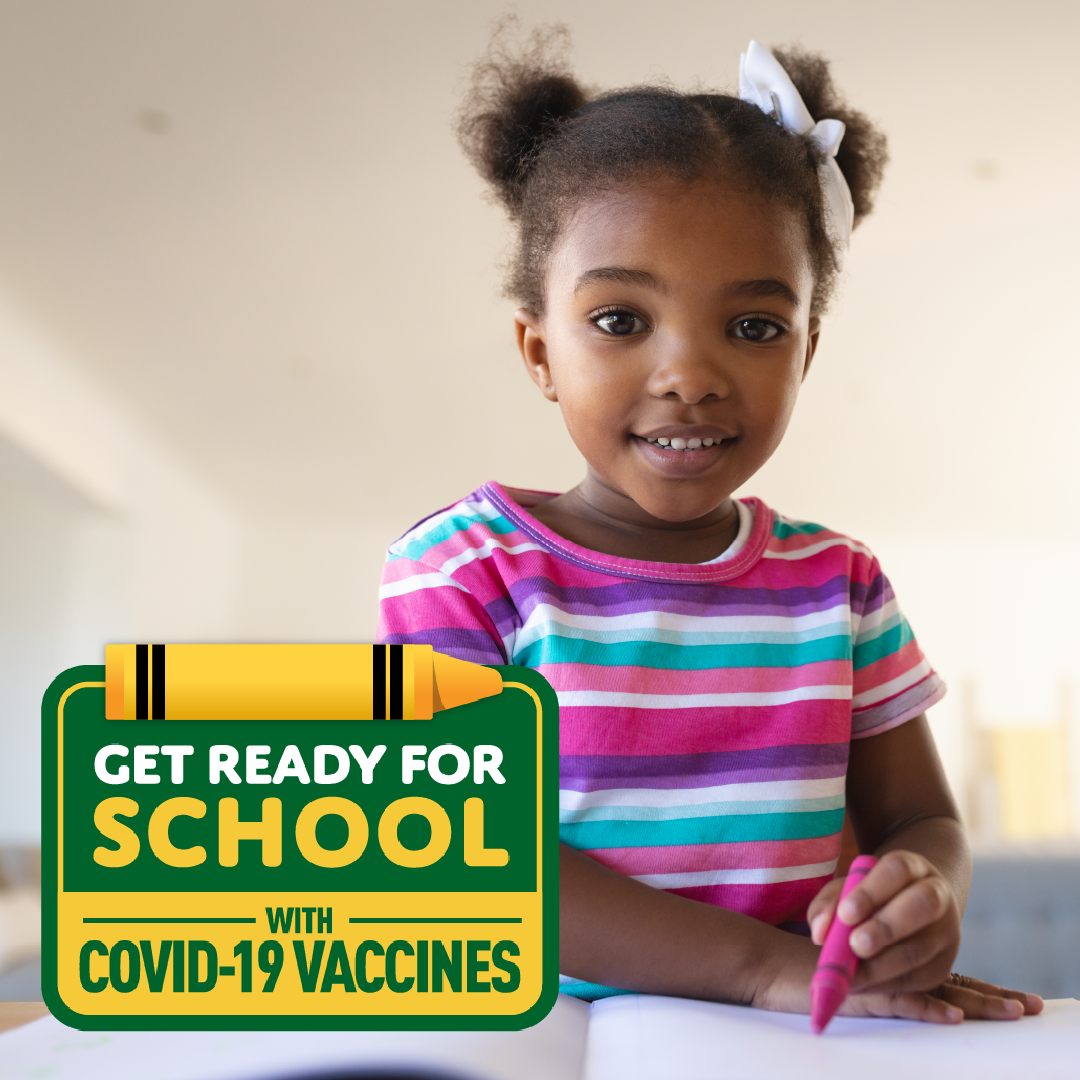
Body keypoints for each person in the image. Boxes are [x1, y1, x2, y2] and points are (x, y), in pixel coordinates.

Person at [378, 25, 1042, 1023]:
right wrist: (758, 970)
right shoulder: (461, 570)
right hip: (541, 1033)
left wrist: (920, 891)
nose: (689, 374)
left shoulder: (842, 585)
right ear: (538, 349)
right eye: (619, 320)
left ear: (805, 353)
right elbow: (465, 849)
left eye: (754, 327)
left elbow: (919, 818)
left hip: (796, 1035)